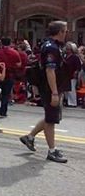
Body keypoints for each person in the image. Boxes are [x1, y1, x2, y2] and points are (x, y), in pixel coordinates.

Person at [19, 21, 70, 163]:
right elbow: (50, 70)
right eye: (65, 31)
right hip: (49, 88)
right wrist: (54, 92)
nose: (66, 33)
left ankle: (29, 137)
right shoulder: (52, 47)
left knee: (51, 117)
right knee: (51, 119)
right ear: (60, 32)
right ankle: (52, 151)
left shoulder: (52, 45)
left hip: (53, 86)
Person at [0, 37, 21, 117]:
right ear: (10, 43)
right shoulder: (14, 53)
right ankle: (3, 111)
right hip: (10, 75)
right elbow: (19, 64)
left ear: (1, 43)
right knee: (6, 94)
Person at [64, 42, 82, 107]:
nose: (67, 50)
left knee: (72, 89)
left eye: (68, 49)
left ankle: (73, 103)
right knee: (66, 89)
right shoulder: (65, 56)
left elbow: (78, 66)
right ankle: (67, 101)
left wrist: (76, 72)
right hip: (66, 75)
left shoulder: (75, 57)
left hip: (72, 75)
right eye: (66, 49)